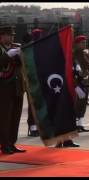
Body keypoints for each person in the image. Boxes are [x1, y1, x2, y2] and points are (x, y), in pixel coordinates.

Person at [0, 25, 26, 154]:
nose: (11, 37)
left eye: (12, 35)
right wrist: (7, 56)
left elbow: (23, 65)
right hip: (4, 88)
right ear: (2, 36)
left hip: (18, 87)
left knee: (15, 117)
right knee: (5, 118)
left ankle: (12, 143)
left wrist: (21, 54)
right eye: (9, 35)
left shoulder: (15, 47)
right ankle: (5, 145)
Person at [27, 28, 44, 137]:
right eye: (37, 35)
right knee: (33, 104)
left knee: (39, 104)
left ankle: (38, 126)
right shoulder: (29, 49)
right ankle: (33, 127)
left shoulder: (41, 48)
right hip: (32, 79)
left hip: (40, 78)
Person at [73, 35, 89, 133]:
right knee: (76, 104)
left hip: (86, 82)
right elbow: (70, 71)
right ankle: (74, 125)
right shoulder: (72, 55)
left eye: (85, 42)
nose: (85, 44)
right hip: (78, 83)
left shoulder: (86, 54)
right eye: (82, 43)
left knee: (83, 104)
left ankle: (80, 124)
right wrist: (75, 85)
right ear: (76, 44)